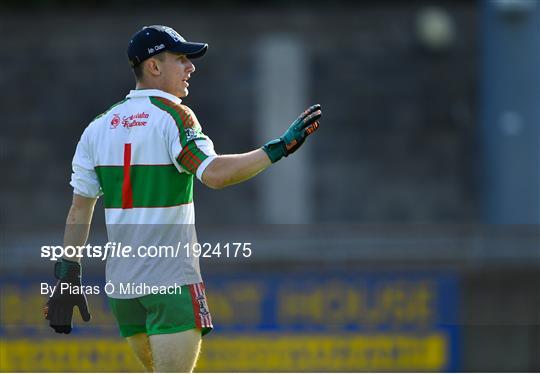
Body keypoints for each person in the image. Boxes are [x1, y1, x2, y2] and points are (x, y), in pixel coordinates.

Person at [44, 25, 321, 372]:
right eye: (181, 59)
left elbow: (79, 210)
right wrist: (279, 148)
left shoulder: (98, 127)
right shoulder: (174, 117)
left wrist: (68, 276)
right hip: (170, 283)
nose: (191, 67)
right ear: (154, 67)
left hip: (123, 293)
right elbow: (215, 174)